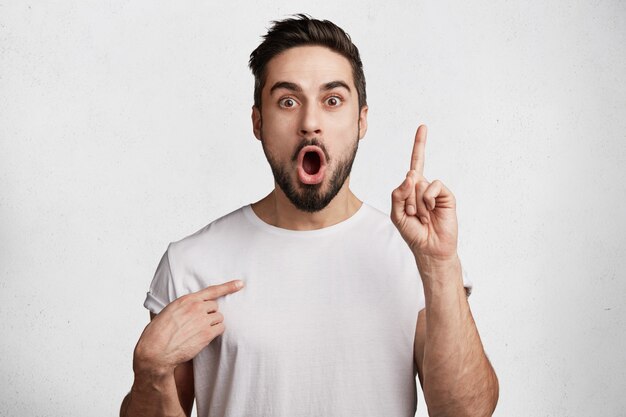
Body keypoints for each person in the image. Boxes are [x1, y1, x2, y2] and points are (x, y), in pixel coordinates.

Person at [120, 14, 498, 417]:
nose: (310, 123)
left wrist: (439, 266)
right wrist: (151, 373)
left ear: (361, 120)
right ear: (258, 122)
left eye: (332, 101)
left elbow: (467, 413)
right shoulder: (192, 263)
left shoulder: (414, 257)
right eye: (288, 101)